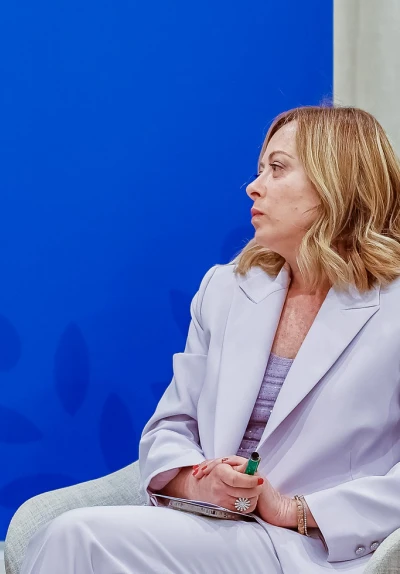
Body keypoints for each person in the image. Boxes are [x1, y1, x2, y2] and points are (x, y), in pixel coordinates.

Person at [21, 106, 400, 573]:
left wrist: (296, 510)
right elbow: (170, 427)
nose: (254, 186)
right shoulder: (226, 288)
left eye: (277, 169)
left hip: (319, 549)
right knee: (66, 534)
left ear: (335, 183)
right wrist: (200, 483)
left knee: (78, 537)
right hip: (213, 527)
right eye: (260, 169)